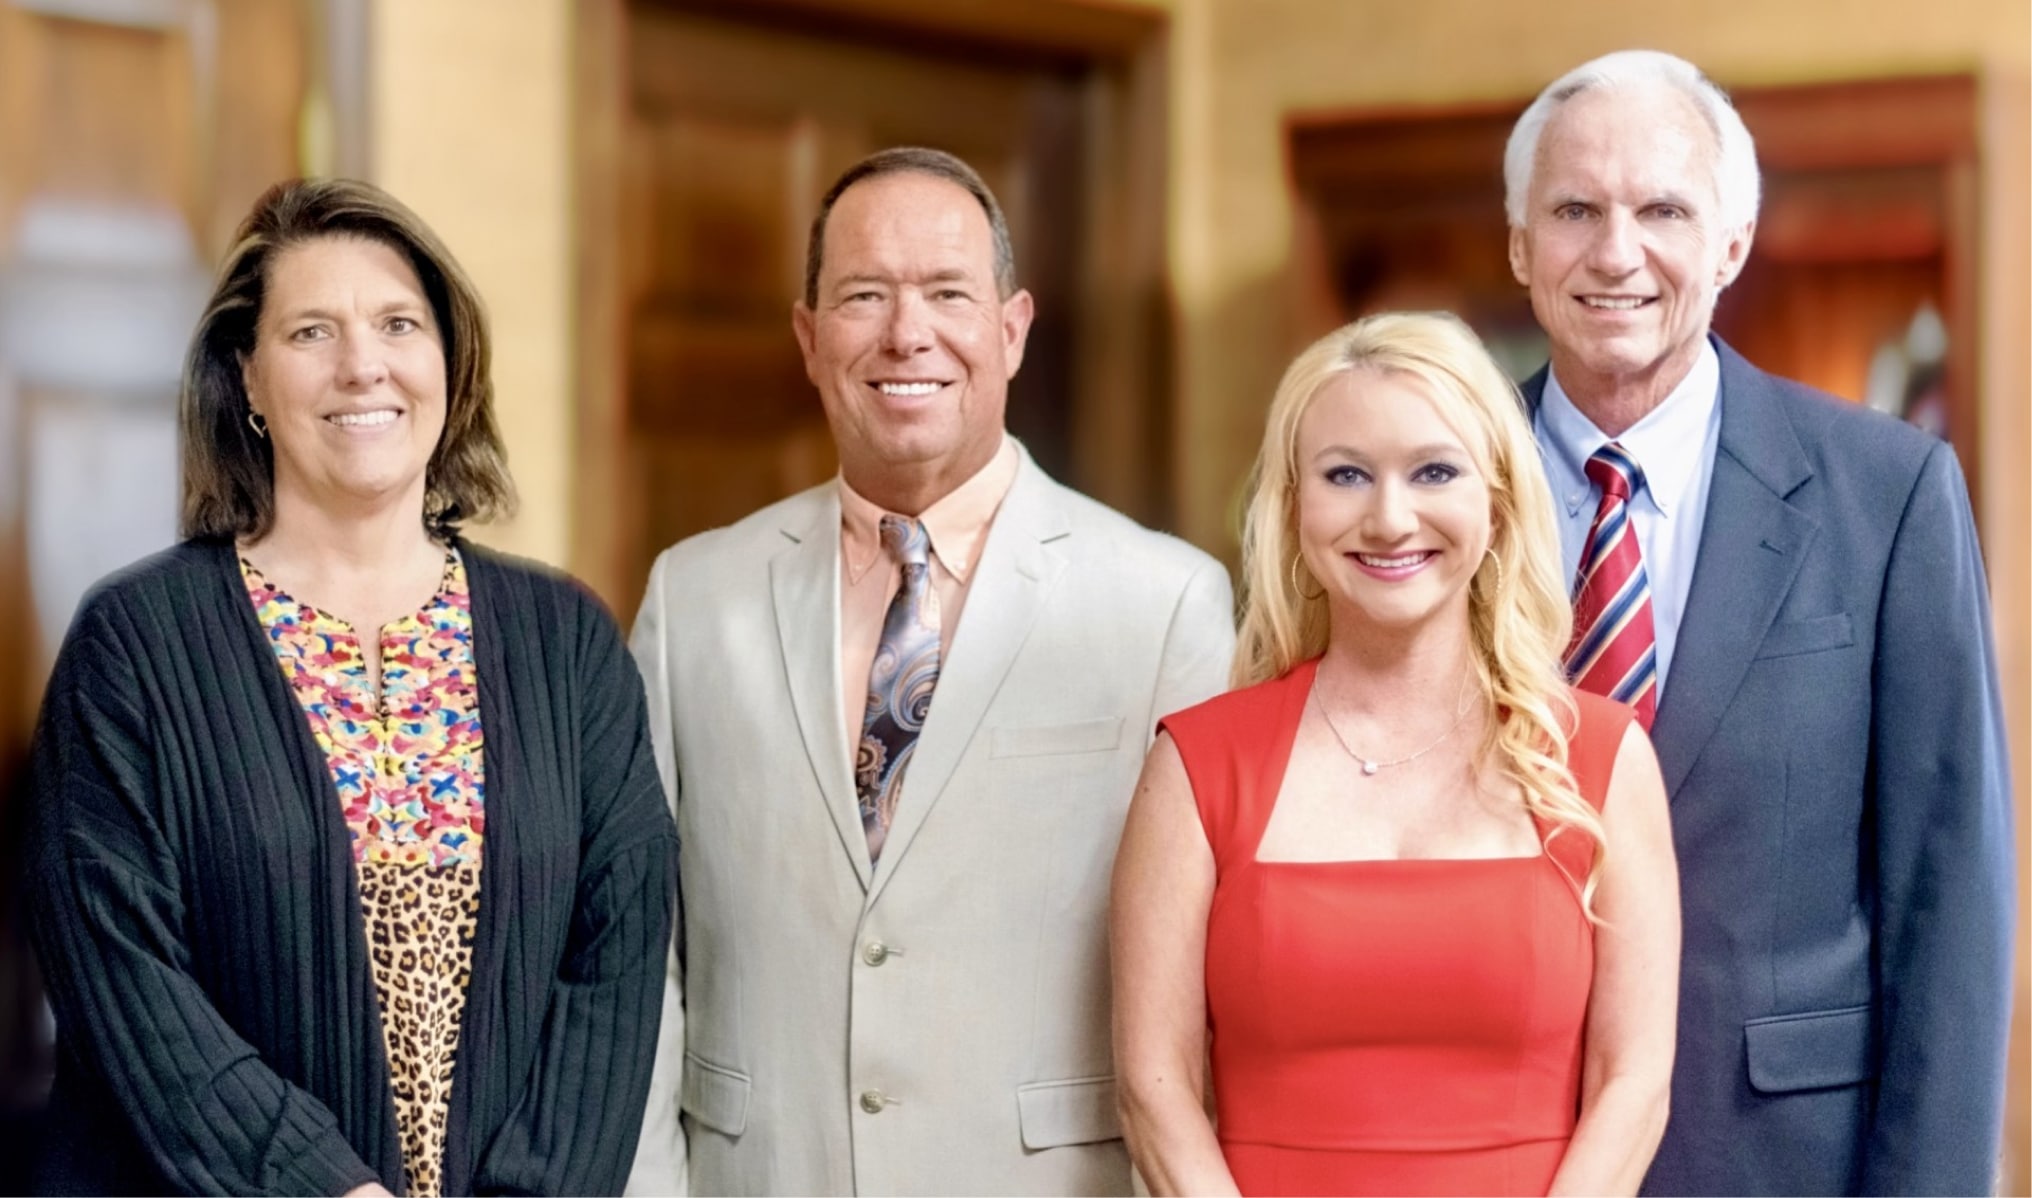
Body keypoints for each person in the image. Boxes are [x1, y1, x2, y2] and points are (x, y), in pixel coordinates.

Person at [22, 178, 677, 1196]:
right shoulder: (135, 645)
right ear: (247, 377)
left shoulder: (569, 644)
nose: (362, 363)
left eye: (398, 324)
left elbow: (615, 962)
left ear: (448, 363)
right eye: (312, 332)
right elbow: (123, 976)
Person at [623, 147, 1235, 1196]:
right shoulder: (693, 600)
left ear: (1012, 329)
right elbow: (640, 952)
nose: (908, 333)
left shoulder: (1164, 603)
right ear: (809, 338)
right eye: (865, 295)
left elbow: (1210, 988)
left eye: (948, 293)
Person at [1504, 50, 2015, 1195]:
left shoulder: (1886, 494)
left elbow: (1948, 901)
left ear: (1732, 242)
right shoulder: (1429, 496)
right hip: (1482, 1150)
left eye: (1663, 211)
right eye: (1575, 210)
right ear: (1520, 245)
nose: (1616, 252)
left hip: (1775, 1160)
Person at [1113, 311, 1680, 1197]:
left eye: (1434, 472)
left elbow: (1633, 1085)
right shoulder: (1196, 766)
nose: (1389, 518)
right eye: (1346, 474)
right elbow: (1156, 1092)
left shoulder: (1602, 760)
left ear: (1497, 502)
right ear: (1294, 506)